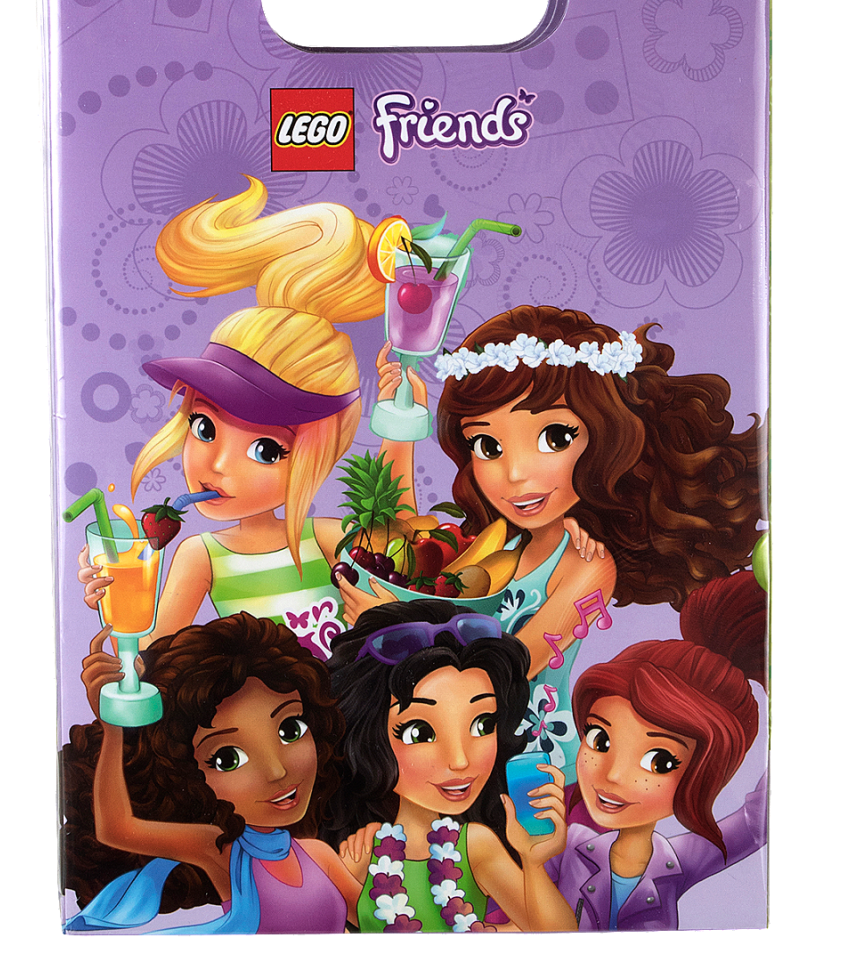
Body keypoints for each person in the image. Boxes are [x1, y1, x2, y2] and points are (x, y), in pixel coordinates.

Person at [337, 305, 764, 778]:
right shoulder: (493, 542)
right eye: (488, 446)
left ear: (603, 441)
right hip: (444, 750)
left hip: (527, 767)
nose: (516, 473)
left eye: (555, 437)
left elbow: (509, 669)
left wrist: (391, 627)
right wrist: (402, 424)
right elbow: (401, 543)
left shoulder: (587, 565)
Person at [78, 178, 420, 660]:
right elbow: (154, 658)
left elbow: (405, 548)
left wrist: (400, 428)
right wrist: (114, 607)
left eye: (266, 449)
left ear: (317, 453)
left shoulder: (323, 539)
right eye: (204, 428)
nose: (217, 465)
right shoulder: (202, 555)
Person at [61, 612, 361, 933]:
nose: (277, 771)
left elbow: (382, 925)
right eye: (227, 759)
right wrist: (113, 729)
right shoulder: (221, 849)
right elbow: (117, 829)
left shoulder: (319, 855)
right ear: (188, 776)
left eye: (290, 729)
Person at [321, 600, 576, 933]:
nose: (460, 760)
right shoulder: (359, 853)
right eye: (420, 733)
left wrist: (533, 860)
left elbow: (559, 938)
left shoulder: (474, 846)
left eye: (482, 725)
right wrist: (346, 877)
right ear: (368, 736)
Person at [550, 571, 769, 930]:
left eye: (659, 761)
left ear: (703, 774)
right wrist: (532, 863)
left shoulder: (681, 862)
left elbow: (758, 819)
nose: (613, 775)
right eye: (600, 740)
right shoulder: (566, 845)